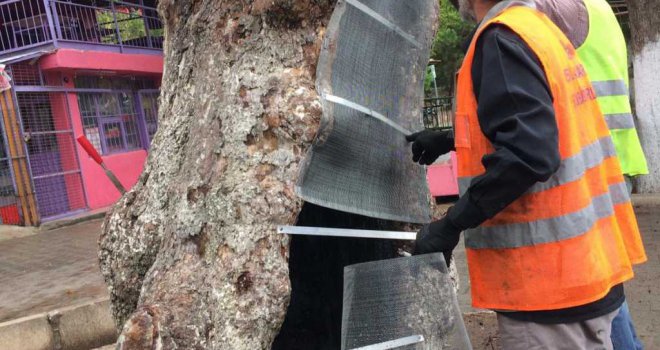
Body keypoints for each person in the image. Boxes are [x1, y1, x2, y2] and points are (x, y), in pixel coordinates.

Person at [406, 0, 647, 348]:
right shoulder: (537, 27)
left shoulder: (502, 38)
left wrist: (451, 224)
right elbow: (542, 125)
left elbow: (528, 154)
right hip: (587, 266)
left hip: (550, 291)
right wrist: (451, 139)